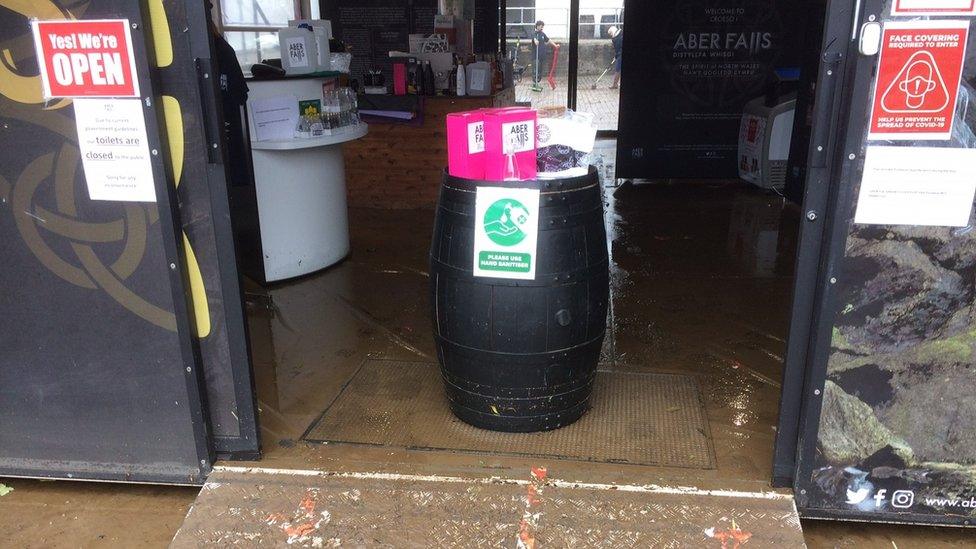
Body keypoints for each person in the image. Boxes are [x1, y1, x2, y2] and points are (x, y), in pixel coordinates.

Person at [531, 20, 559, 92]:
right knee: (536, 69)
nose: (542, 27)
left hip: (542, 56)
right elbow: (534, 38)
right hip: (536, 56)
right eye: (541, 26)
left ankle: (537, 82)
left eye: (543, 26)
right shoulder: (535, 33)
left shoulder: (542, 34)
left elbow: (548, 40)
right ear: (537, 26)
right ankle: (535, 84)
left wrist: (555, 45)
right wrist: (535, 41)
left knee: (540, 70)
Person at [608, 25, 623, 90]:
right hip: (619, 54)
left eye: (611, 34)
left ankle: (615, 85)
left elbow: (617, 49)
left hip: (620, 54)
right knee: (618, 69)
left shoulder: (615, 39)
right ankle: (615, 84)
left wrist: (617, 55)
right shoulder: (621, 35)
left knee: (618, 69)